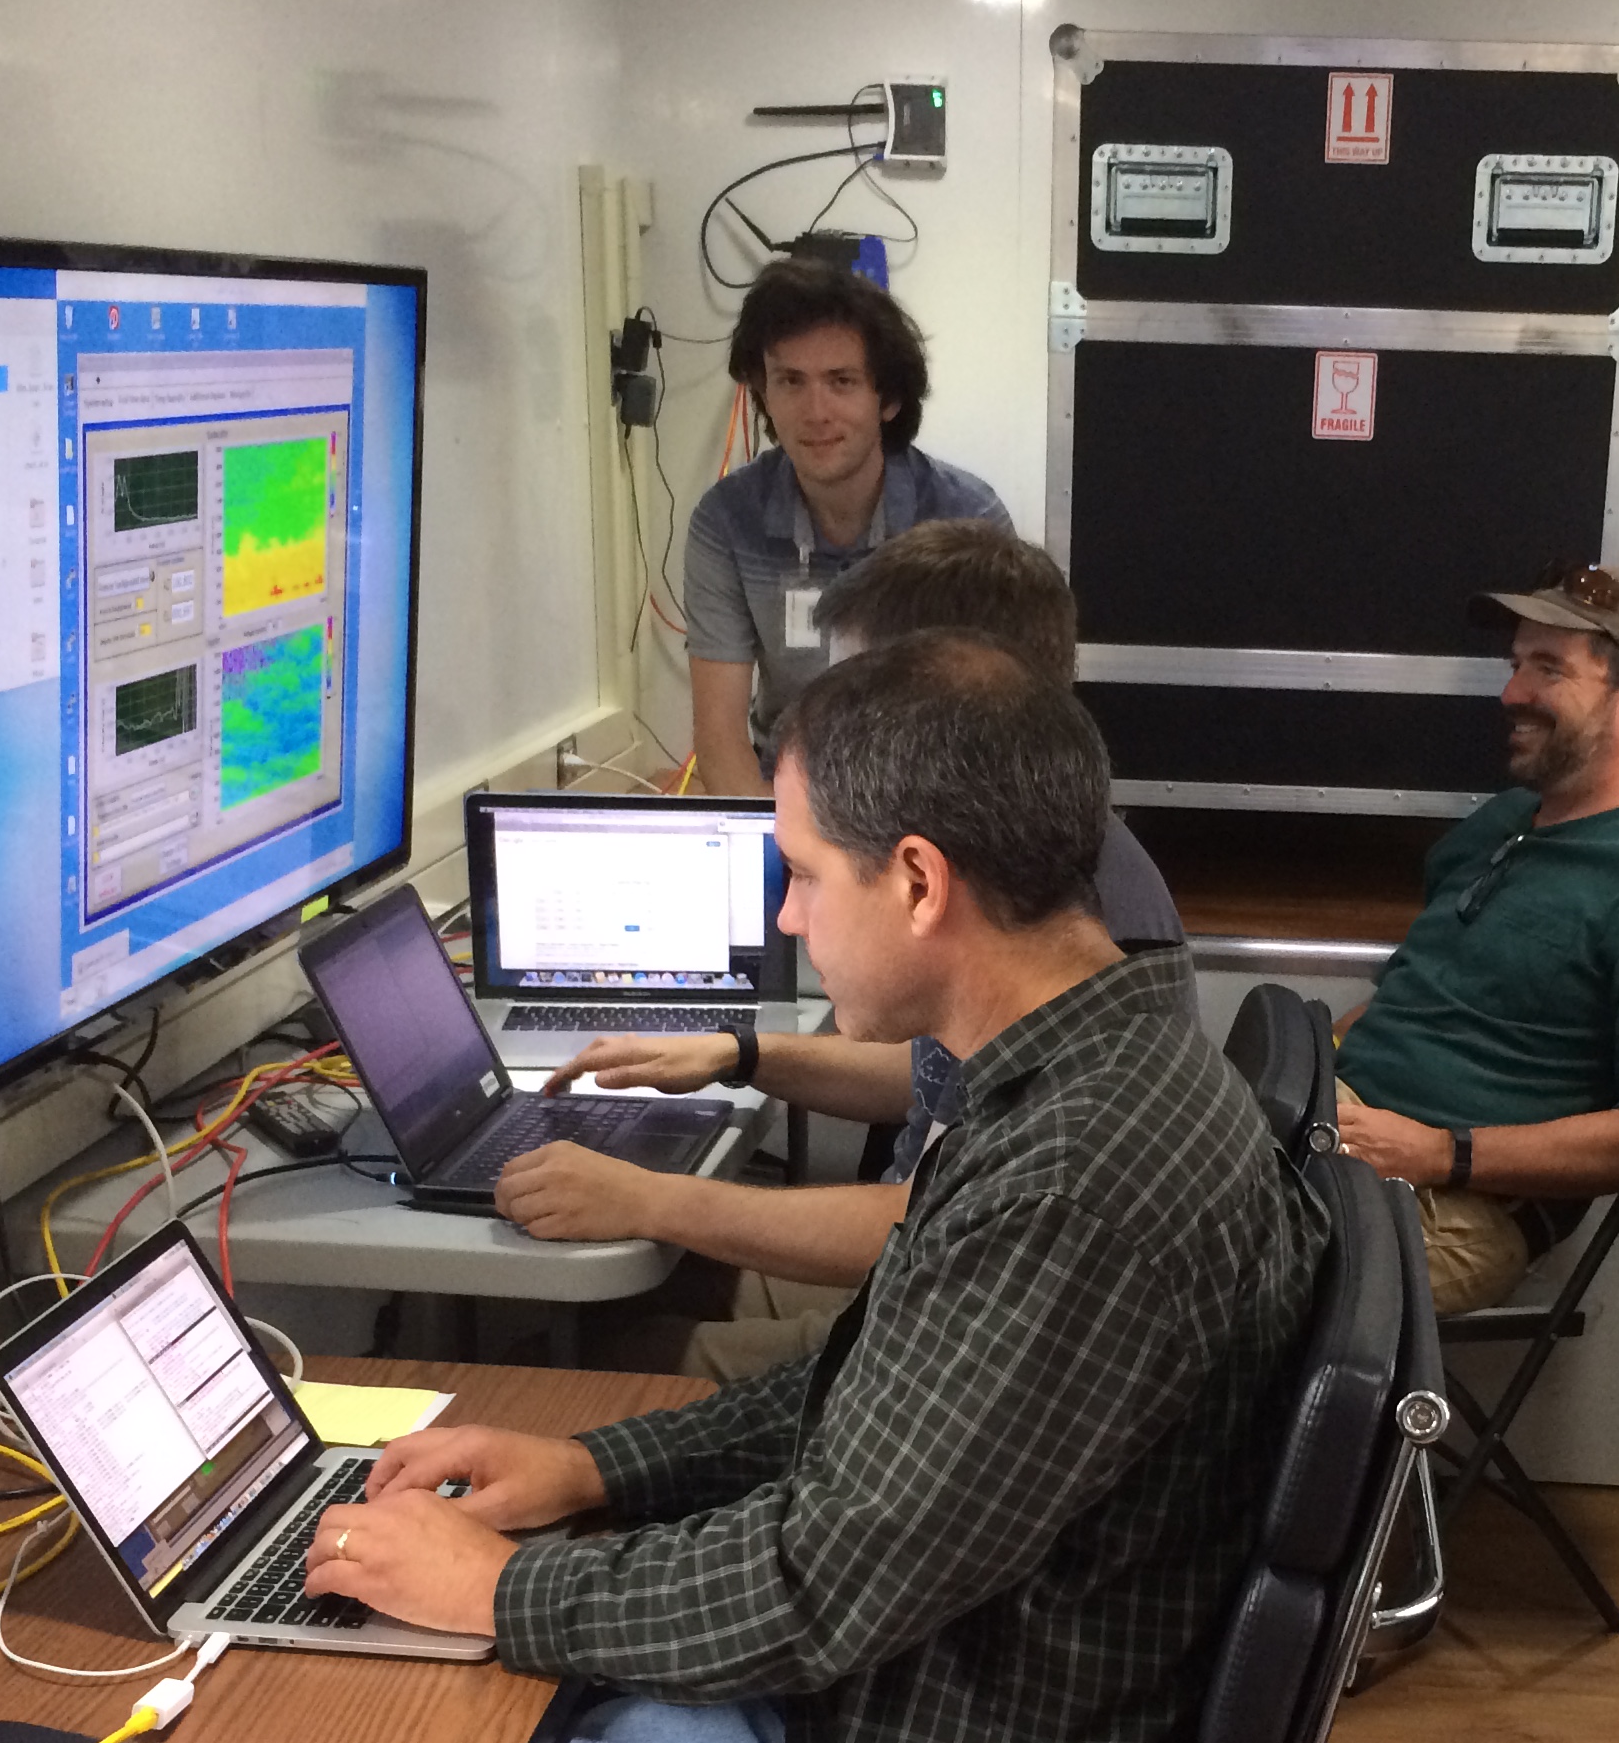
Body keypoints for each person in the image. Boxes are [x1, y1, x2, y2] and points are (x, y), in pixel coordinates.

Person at [303, 631, 1328, 1743]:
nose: (785, 920)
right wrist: (590, 1469)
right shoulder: (1084, 1066)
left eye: (800, 873)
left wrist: (498, 1592)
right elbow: (869, 1391)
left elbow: (817, 1589)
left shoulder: (1075, 1171)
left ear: (919, 882)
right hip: (953, 1714)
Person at [502, 519, 1188, 1383]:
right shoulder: (1043, 879)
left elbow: (948, 1224)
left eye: (862, 688)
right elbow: (936, 1082)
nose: (790, 917)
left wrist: (654, 1197)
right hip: (914, 1280)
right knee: (622, 1301)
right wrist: (741, 1053)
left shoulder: (1085, 928)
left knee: (575, 1364)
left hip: (913, 1298)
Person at [1330, 563, 1619, 1314]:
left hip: (1457, 1206)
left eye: (1548, 669)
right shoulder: (1504, 823)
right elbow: (1415, 992)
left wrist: (1438, 1152)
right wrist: (1314, 1066)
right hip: (1340, 1134)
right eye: (1516, 666)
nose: (1511, 694)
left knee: (1195, 1285)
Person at [683, 258, 1005, 794]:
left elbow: (996, 733)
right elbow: (720, 745)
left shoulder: (969, 521)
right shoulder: (725, 524)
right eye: (790, 380)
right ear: (763, 392)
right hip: (784, 797)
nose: (815, 411)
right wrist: (796, 857)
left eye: (841, 381)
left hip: (924, 802)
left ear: (889, 399)